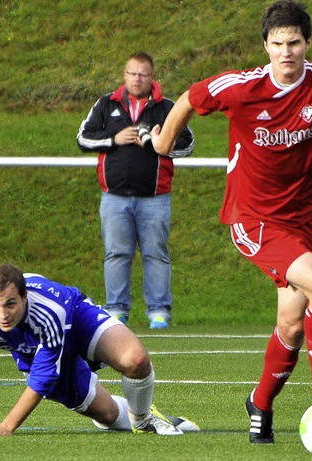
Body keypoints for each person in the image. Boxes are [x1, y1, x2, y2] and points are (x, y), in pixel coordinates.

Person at [150, 0, 312, 444]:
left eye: (294, 42)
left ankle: (261, 402)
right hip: (253, 218)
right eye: (278, 44)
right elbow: (191, 98)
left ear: (308, 44)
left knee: (293, 323)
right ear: (266, 46)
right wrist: (162, 143)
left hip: (307, 220)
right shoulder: (242, 86)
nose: (286, 52)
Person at [0, 263, 198, 437]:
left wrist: (7, 426)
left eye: (10, 304)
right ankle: (144, 415)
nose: (2, 314)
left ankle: (144, 421)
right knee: (107, 415)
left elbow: (43, 377)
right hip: (33, 347)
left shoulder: (47, 310)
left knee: (136, 360)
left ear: (24, 298)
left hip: (75, 317)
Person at [77, 52, 195, 330]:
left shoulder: (167, 107)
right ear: (124, 74)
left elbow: (187, 145)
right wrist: (113, 139)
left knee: (156, 254)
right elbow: (83, 138)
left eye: (143, 74)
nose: (137, 79)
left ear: (153, 77)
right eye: (132, 73)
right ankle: (116, 311)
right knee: (117, 254)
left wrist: (157, 143)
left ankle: (159, 313)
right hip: (114, 197)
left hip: (155, 197)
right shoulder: (106, 104)